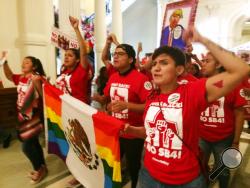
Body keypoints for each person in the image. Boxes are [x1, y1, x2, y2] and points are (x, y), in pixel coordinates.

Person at [121, 26, 250, 188]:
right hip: (148, 175)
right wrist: (132, 130)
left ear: (179, 70)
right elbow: (151, 132)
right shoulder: (153, 96)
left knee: (222, 168)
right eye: (154, 64)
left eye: (164, 62)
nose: (156, 67)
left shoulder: (192, 92)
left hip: (184, 180)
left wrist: (203, 40)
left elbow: (241, 70)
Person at [94, 43, 153, 188]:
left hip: (133, 132)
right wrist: (101, 101)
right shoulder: (113, 77)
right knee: (112, 163)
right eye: (115, 53)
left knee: (134, 167)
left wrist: (128, 106)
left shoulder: (141, 79)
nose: (115, 56)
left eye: (120, 54)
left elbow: (151, 106)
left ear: (131, 59)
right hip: (114, 131)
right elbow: (106, 99)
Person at [55, 16, 93, 188]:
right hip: (65, 113)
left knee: (80, 146)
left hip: (80, 114)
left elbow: (84, 51)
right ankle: (76, 172)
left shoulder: (81, 72)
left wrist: (77, 29)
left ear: (78, 59)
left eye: (70, 55)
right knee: (71, 145)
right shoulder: (63, 73)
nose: (66, 57)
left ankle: (82, 174)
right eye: (65, 55)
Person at [199, 52, 246, 188]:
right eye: (203, 60)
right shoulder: (200, 84)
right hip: (202, 136)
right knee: (199, 168)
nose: (203, 63)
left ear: (219, 64)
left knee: (223, 170)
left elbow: (239, 115)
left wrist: (236, 141)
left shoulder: (234, 85)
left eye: (207, 61)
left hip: (224, 138)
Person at [2, 56, 47, 184]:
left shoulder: (39, 78)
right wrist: (4, 62)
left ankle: (38, 168)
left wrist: (38, 83)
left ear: (34, 66)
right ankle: (42, 167)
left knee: (26, 147)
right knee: (34, 143)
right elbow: (9, 75)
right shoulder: (22, 78)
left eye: (27, 62)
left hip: (34, 118)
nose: (23, 64)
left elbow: (44, 97)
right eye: (23, 62)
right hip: (23, 118)